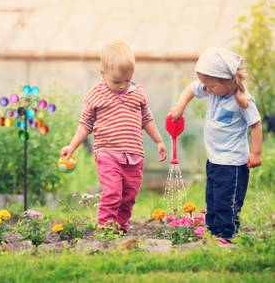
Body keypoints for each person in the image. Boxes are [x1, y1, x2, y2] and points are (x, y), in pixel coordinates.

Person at [61, 41, 167, 232]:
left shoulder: (138, 94)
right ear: (103, 73)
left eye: (127, 81)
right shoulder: (96, 94)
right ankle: (105, 227)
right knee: (113, 192)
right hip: (107, 153)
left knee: (129, 195)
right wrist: (72, 146)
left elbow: (147, 119)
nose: (122, 86)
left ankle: (120, 225)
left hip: (134, 156)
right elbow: (85, 124)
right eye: (117, 82)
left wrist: (158, 140)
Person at [170, 47, 262, 241]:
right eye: (205, 84)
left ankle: (226, 235)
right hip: (214, 159)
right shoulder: (214, 89)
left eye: (211, 85)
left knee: (226, 200)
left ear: (229, 81)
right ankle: (213, 231)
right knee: (212, 196)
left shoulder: (243, 100)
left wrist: (255, 153)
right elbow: (191, 89)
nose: (206, 88)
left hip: (233, 162)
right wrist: (179, 107)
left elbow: (256, 124)